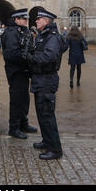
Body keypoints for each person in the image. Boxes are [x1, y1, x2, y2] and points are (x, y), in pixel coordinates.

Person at [26, 8, 65, 160]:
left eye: (39, 19)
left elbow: (49, 56)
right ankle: (47, 141)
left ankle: (55, 149)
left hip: (46, 80)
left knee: (47, 114)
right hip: (40, 79)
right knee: (42, 114)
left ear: (46, 21)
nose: (36, 21)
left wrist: (32, 57)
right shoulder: (44, 36)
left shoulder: (52, 37)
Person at [1, 8, 37, 139]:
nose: (26, 21)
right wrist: (27, 58)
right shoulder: (11, 33)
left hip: (23, 70)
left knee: (24, 99)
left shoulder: (23, 31)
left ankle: (23, 122)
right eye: (23, 19)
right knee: (17, 100)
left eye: (26, 19)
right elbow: (11, 54)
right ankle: (14, 127)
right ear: (16, 19)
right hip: (16, 71)